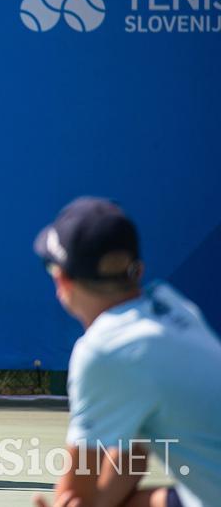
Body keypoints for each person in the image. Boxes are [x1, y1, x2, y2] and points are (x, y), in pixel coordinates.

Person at [32, 196, 221, 507]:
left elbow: (75, 496)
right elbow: (134, 458)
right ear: (138, 270)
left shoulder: (105, 350)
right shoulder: (169, 304)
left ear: (62, 280)